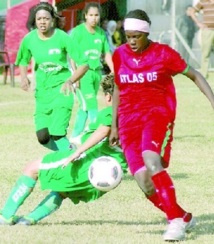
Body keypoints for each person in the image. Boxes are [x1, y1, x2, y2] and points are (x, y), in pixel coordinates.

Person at [109, 9, 214, 241]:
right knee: (144, 182)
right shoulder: (119, 55)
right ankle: (181, 216)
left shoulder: (164, 54)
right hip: (127, 123)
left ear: (146, 34)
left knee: (151, 159)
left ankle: (174, 223)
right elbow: (118, 87)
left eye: (137, 36)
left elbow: (195, 74)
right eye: (128, 36)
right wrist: (114, 125)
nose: (132, 41)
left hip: (157, 115)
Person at [0, 74, 127, 226]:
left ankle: (6, 216)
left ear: (108, 97)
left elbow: (102, 132)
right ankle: (29, 219)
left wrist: (77, 152)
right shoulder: (134, 115)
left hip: (87, 162)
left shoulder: (110, 113)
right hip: (110, 170)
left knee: (32, 169)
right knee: (62, 191)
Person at [16, 2, 89, 151]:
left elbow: (84, 64)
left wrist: (71, 80)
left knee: (57, 134)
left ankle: (70, 158)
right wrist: (24, 76)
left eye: (46, 18)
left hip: (62, 90)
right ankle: (69, 152)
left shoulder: (62, 37)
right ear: (35, 21)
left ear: (53, 20)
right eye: (39, 19)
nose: (42, 22)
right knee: (42, 138)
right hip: (42, 94)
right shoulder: (29, 39)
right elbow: (23, 60)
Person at [68, 2, 114, 145]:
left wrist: (113, 71)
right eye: (91, 15)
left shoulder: (101, 33)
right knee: (92, 105)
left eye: (96, 15)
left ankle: (74, 137)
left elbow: (106, 53)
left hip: (96, 73)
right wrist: (75, 76)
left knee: (84, 107)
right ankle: (96, 136)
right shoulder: (77, 32)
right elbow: (71, 55)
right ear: (85, 16)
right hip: (83, 74)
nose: (94, 18)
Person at [189, 0, 214, 78]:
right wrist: (198, 23)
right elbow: (192, 11)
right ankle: (204, 74)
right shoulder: (203, 2)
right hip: (207, 31)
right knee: (205, 53)